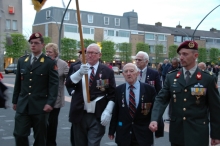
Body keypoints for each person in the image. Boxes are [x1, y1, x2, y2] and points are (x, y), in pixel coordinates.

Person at [149, 41, 220, 146]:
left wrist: (216, 134)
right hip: (177, 132)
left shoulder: (207, 78)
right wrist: (155, 119)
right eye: (180, 54)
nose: (181, 57)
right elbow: (161, 99)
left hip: (198, 133)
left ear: (195, 55)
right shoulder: (171, 77)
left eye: (185, 54)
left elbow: (215, 108)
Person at [12, 32, 59, 146]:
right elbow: (18, 82)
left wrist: (50, 103)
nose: (33, 45)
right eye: (31, 43)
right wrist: (15, 100)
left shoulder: (49, 62)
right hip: (23, 104)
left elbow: (54, 84)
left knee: (40, 138)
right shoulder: (23, 61)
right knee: (19, 134)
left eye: (36, 43)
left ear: (42, 45)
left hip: (40, 106)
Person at [65, 43, 116, 146]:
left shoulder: (107, 71)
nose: (90, 55)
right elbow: (68, 83)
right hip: (80, 112)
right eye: (88, 53)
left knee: (93, 143)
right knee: (79, 143)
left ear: (99, 55)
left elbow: (112, 93)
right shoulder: (77, 68)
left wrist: (108, 110)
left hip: (97, 114)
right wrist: (79, 74)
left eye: (93, 53)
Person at [108, 63, 163, 146]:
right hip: (124, 134)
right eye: (126, 71)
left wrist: (159, 130)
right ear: (123, 74)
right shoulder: (119, 90)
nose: (128, 73)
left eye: (131, 71)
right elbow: (116, 112)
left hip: (143, 134)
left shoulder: (149, 89)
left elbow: (155, 109)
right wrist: (111, 130)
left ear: (137, 73)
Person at [45, 43, 69, 146]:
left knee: (52, 123)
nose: (48, 54)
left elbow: (70, 78)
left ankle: (51, 143)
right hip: (42, 97)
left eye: (50, 52)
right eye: (46, 51)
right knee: (41, 122)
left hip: (56, 98)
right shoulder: (43, 62)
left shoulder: (62, 64)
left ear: (55, 53)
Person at [65, 49, 86, 146]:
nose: (83, 57)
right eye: (81, 55)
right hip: (77, 99)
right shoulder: (74, 66)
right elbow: (68, 82)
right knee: (76, 127)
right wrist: (72, 92)